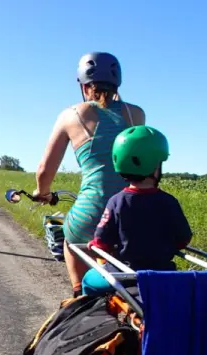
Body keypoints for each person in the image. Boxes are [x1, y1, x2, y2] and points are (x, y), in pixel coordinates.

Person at [32, 52, 146, 296]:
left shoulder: (70, 115)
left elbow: (44, 170)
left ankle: (78, 296)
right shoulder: (136, 114)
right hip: (133, 212)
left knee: (71, 241)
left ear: (83, 86)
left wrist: (42, 193)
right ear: (117, 85)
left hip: (91, 211)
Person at [81, 125, 193, 296]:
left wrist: (95, 245)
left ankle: (89, 315)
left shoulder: (116, 201)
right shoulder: (170, 202)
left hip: (123, 274)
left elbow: (102, 242)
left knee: (88, 280)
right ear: (155, 166)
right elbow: (183, 239)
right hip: (162, 275)